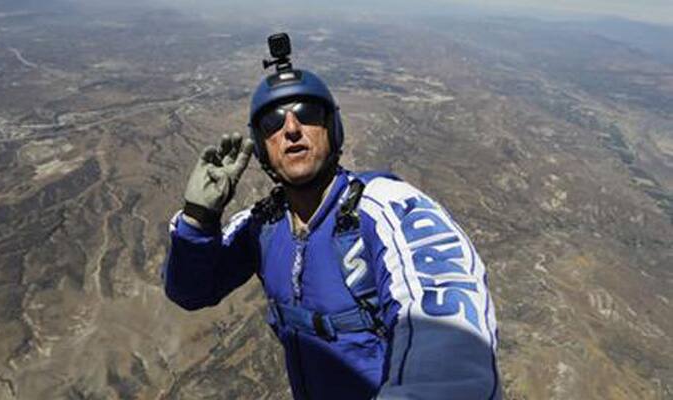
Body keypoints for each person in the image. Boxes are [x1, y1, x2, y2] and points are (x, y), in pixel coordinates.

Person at [162, 33, 501, 400]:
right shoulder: (263, 226)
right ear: (261, 147)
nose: (291, 129)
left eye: (307, 114)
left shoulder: (386, 208)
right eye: (273, 123)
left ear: (332, 129)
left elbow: (450, 339)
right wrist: (198, 221)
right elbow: (191, 292)